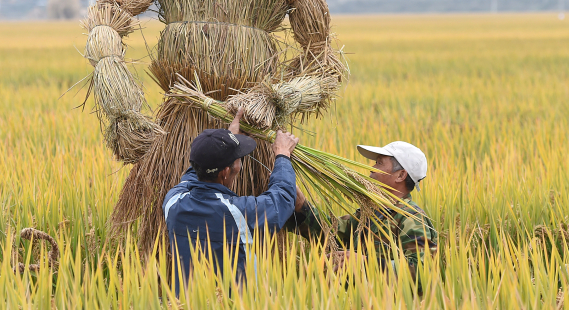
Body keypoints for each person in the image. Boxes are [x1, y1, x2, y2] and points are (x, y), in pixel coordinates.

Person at [163, 109, 300, 294]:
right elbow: (282, 199)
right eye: (237, 159)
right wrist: (282, 154)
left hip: (187, 309)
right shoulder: (236, 213)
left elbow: (195, 173)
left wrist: (225, 141)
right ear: (226, 172)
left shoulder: (173, 203)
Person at [288, 141, 437, 280]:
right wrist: (301, 206)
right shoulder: (370, 214)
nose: (372, 168)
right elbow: (332, 233)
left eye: (379, 163)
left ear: (401, 175)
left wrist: (365, 263)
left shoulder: (411, 218)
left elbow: (422, 271)